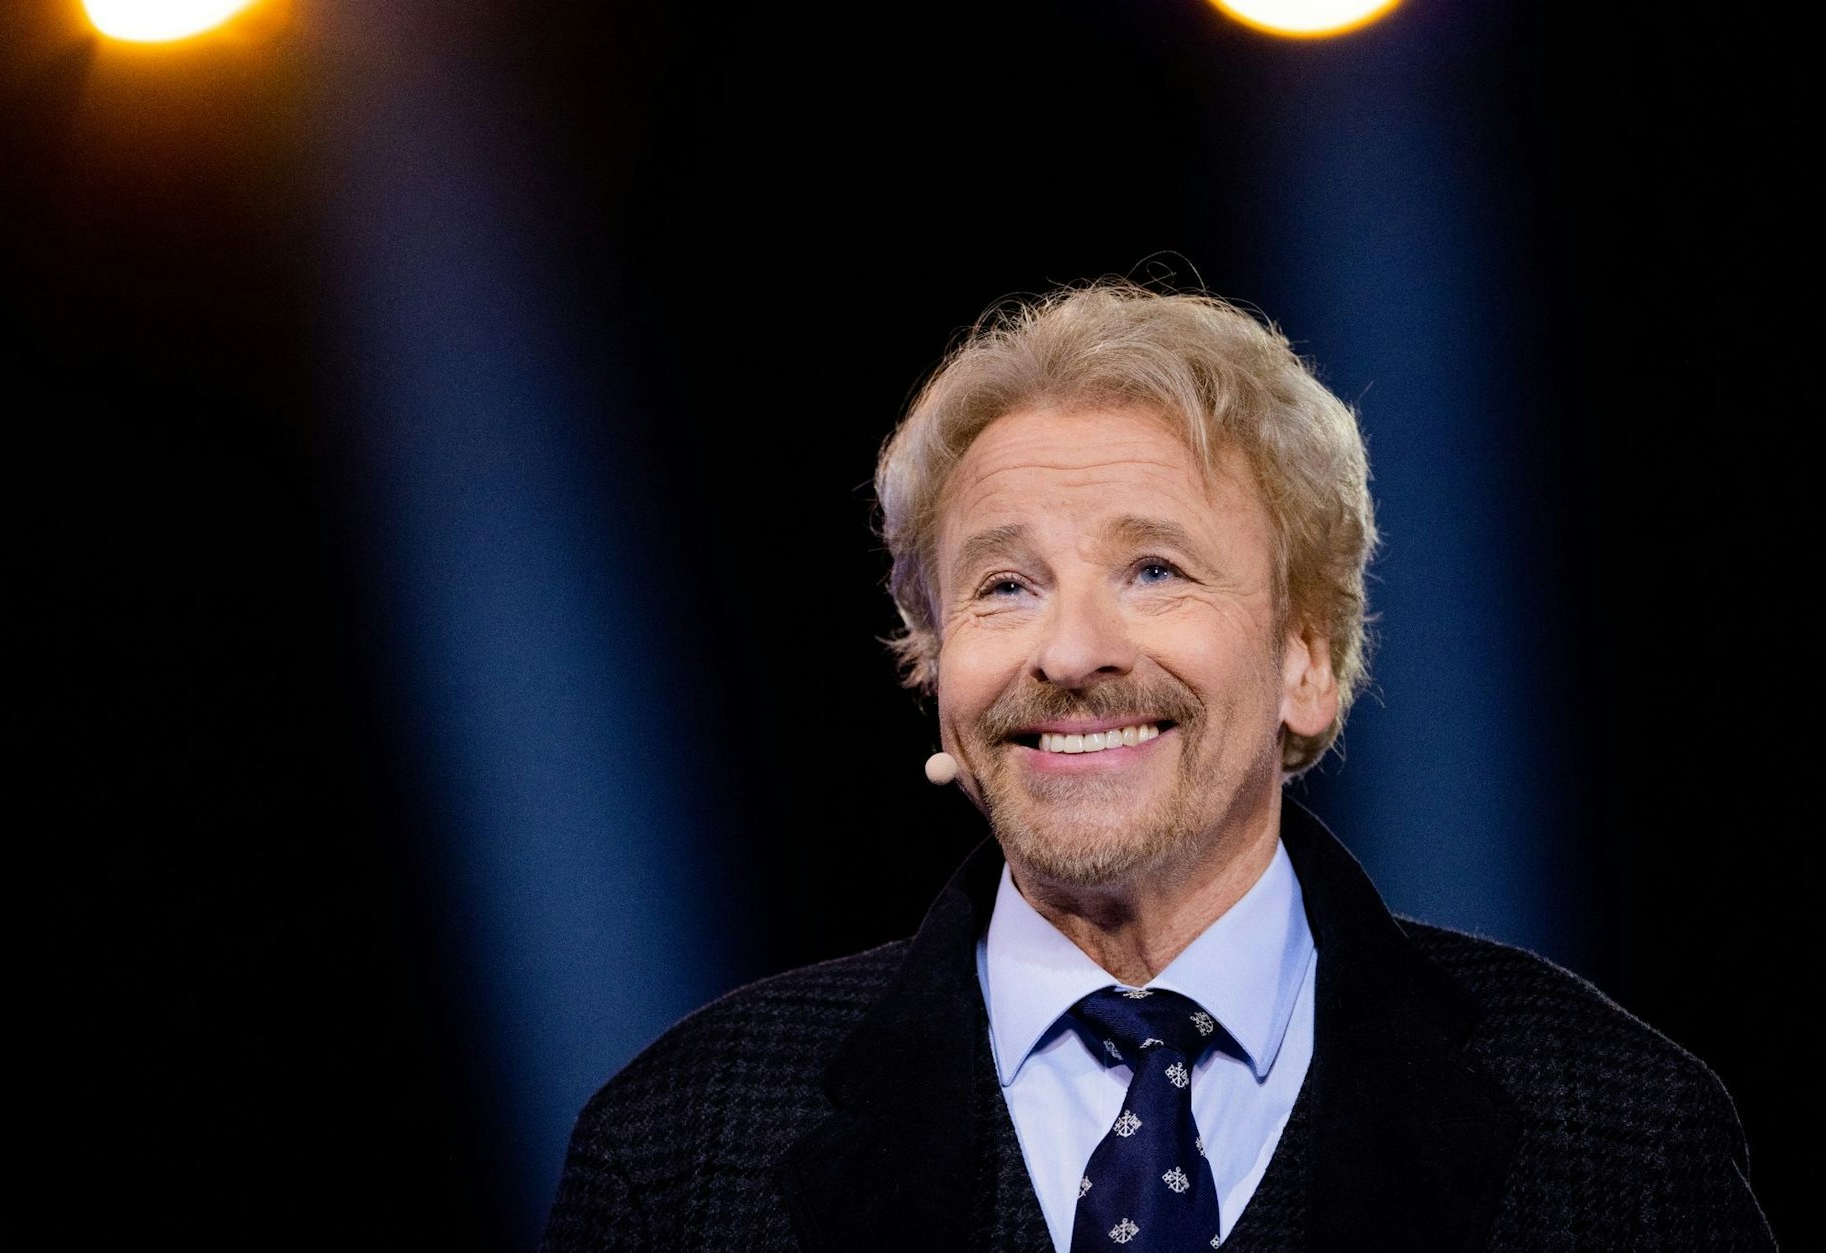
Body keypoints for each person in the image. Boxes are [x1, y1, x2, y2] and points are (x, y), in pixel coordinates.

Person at [539, 282, 1774, 1252]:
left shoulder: (1613, 1130)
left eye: (1153, 570)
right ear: (933, 666)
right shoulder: (676, 1147)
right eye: (1004, 584)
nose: (1070, 650)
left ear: (1304, 658)